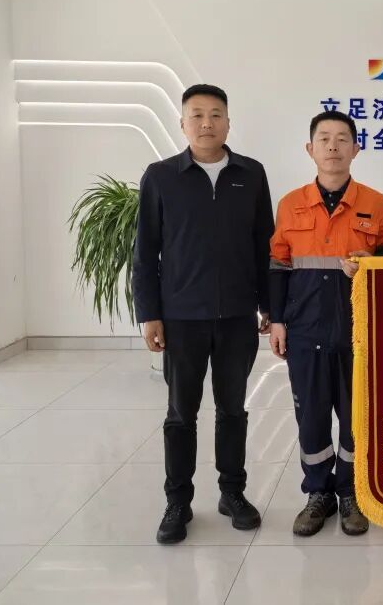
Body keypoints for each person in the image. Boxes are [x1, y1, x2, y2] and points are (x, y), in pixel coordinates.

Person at [132, 83, 275, 545]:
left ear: (229, 123)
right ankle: (178, 501)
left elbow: (265, 246)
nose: (206, 123)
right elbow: (145, 251)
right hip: (181, 317)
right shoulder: (161, 177)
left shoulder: (251, 174)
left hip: (236, 316)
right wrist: (150, 314)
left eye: (216, 114)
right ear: (182, 123)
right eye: (197, 115)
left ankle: (233, 493)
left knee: (233, 409)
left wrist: (269, 306)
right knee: (181, 413)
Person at [269, 110, 383, 537]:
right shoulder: (290, 204)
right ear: (310, 149)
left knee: (356, 417)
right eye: (324, 139)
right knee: (311, 417)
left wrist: (374, 258)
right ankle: (318, 493)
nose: (333, 146)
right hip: (305, 327)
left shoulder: (376, 204)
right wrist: (276, 320)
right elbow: (278, 266)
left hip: (359, 331)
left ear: (356, 148)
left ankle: (351, 492)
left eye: (342, 138)